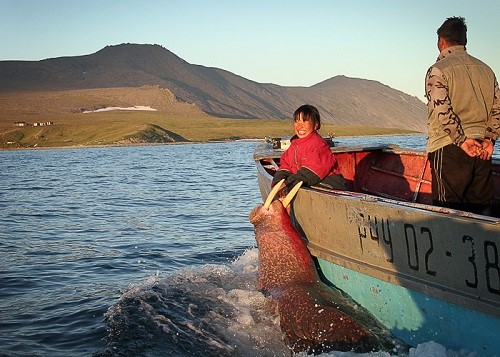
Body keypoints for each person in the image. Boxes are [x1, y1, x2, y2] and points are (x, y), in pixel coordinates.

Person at [425, 16, 500, 215]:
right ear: (464, 41)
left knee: (447, 213)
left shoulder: (438, 70)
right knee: (482, 213)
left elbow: (442, 111)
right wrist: (490, 140)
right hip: (482, 150)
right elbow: (497, 109)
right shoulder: (487, 70)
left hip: (450, 148)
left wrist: (460, 140)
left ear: (441, 41)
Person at [272, 104, 348, 193]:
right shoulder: (294, 145)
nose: (300, 126)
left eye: (304, 122)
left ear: (315, 125)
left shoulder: (319, 144)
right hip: (307, 183)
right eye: (297, 121)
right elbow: (286, 165)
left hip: (330, 186)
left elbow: (311, 172)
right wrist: (278, 181)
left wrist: (288, 184)